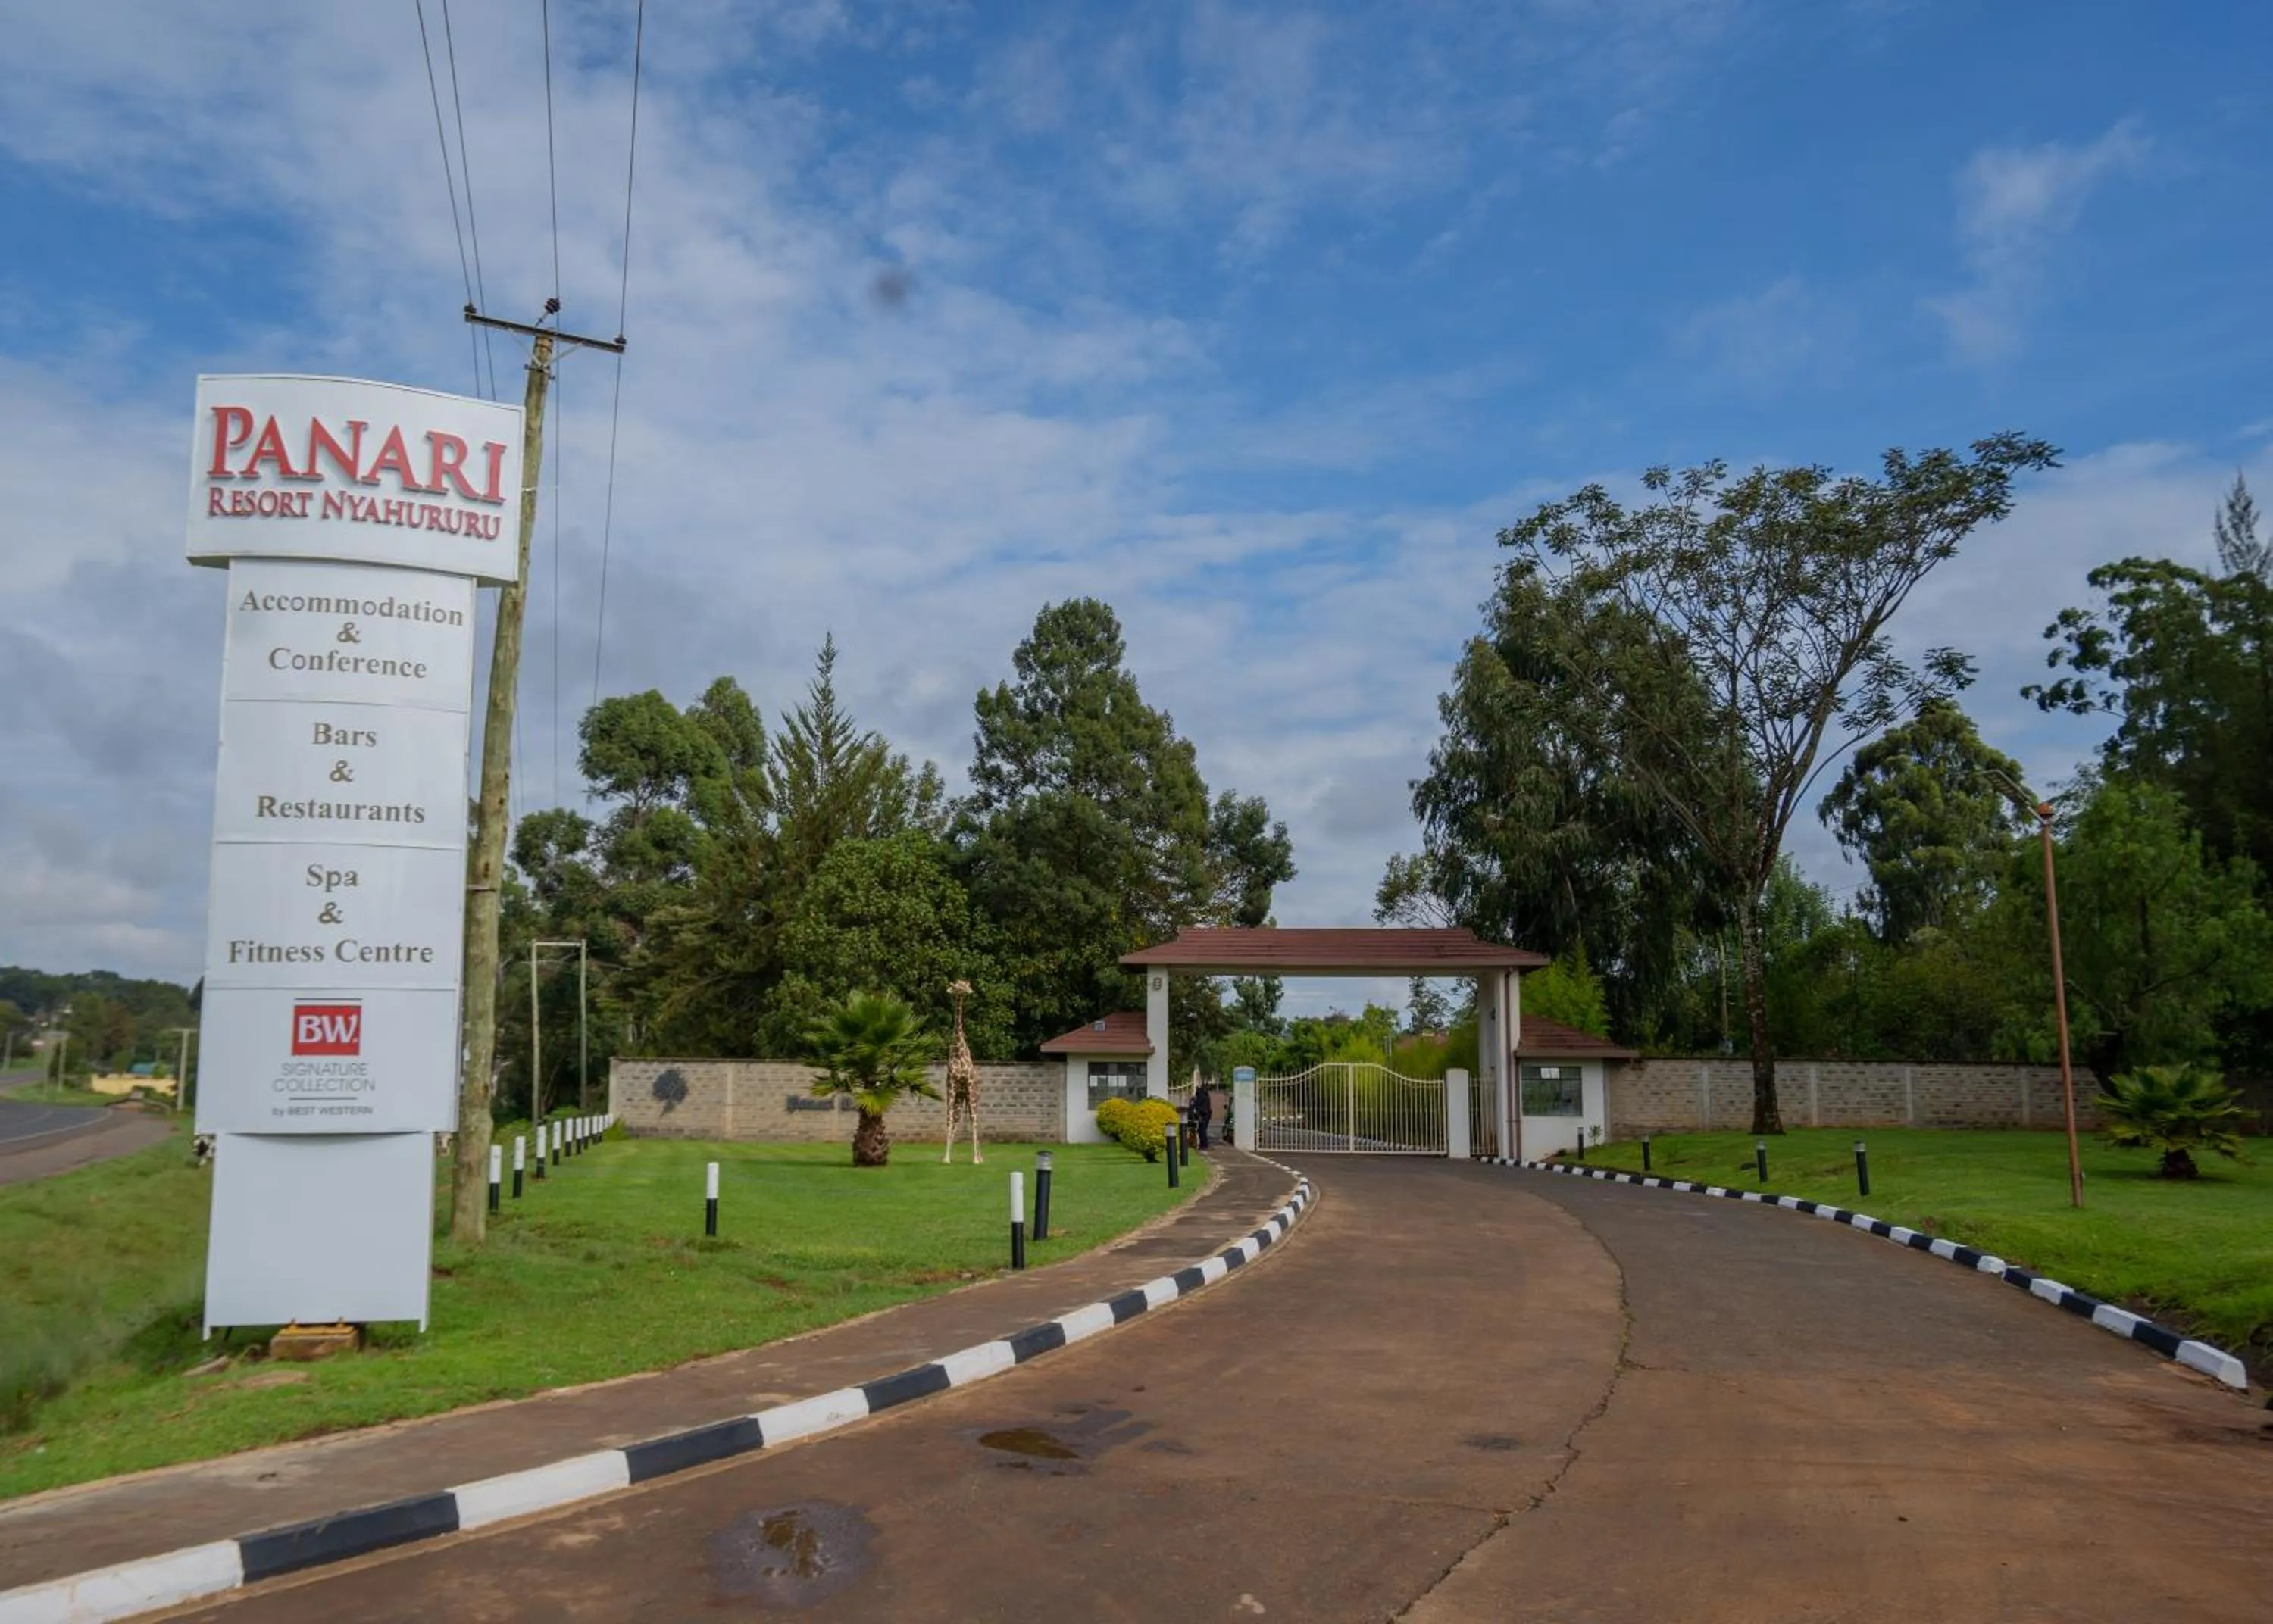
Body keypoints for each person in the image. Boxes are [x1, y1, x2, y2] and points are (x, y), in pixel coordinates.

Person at [1187, 1082, 1213, 1150]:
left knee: (1202, 1130)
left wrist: (1198, 1115)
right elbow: (1198, 1106)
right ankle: (1203, 1145)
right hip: (1205, 1114)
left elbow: (1198, 1106)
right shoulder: (1204, 1094)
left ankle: (1204, 1145)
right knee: (1201, 1130)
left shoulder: (1202, 1095)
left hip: (1204, 1114)